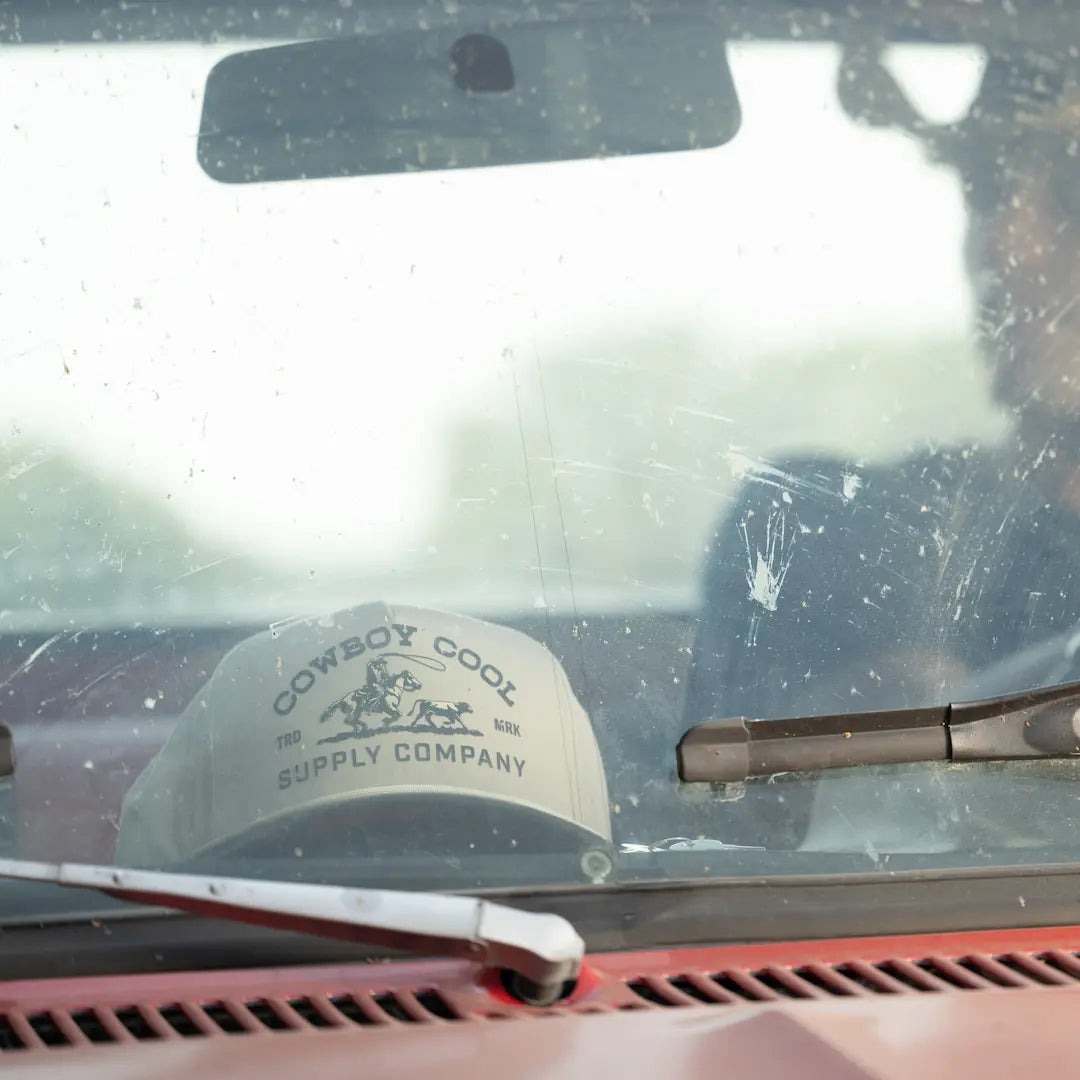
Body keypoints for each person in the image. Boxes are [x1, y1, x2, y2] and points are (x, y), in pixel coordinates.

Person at [682, 47, 1080, 850]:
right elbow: (711, 859)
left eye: (1069, 196)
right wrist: (876, 733)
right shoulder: (823, 534)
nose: (1008, 247)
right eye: (988, 189)